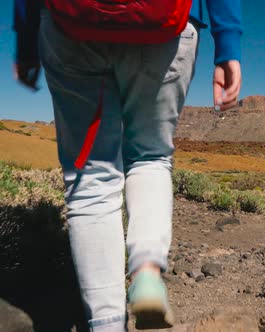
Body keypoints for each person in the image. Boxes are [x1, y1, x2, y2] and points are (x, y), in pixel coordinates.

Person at [13, 0, 242, 331]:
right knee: (150, 156)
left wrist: (25, 41)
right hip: (165, 26)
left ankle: (106, 323)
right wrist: (228, 43)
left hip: (71, 26)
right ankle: (147, 273)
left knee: (91, 176)